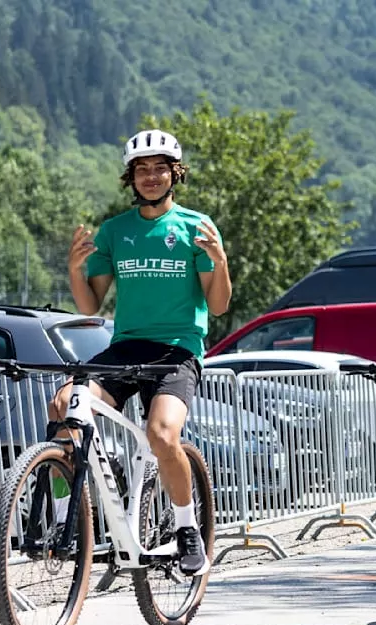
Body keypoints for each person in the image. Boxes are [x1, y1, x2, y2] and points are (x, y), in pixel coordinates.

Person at [55, 129, 232, 576]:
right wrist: (75, 270)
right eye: (141, 170)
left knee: (162, 435)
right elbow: (90, 305)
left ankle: (187, 527)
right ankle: (67, 517)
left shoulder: (195, 226)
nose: (150, 177)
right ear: (130, 178)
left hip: (177, 351)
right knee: (63, 406)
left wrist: (222, 262)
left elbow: (218, 305)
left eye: (159, 169)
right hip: (125, 348)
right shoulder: (115, 231)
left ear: (176, 174)